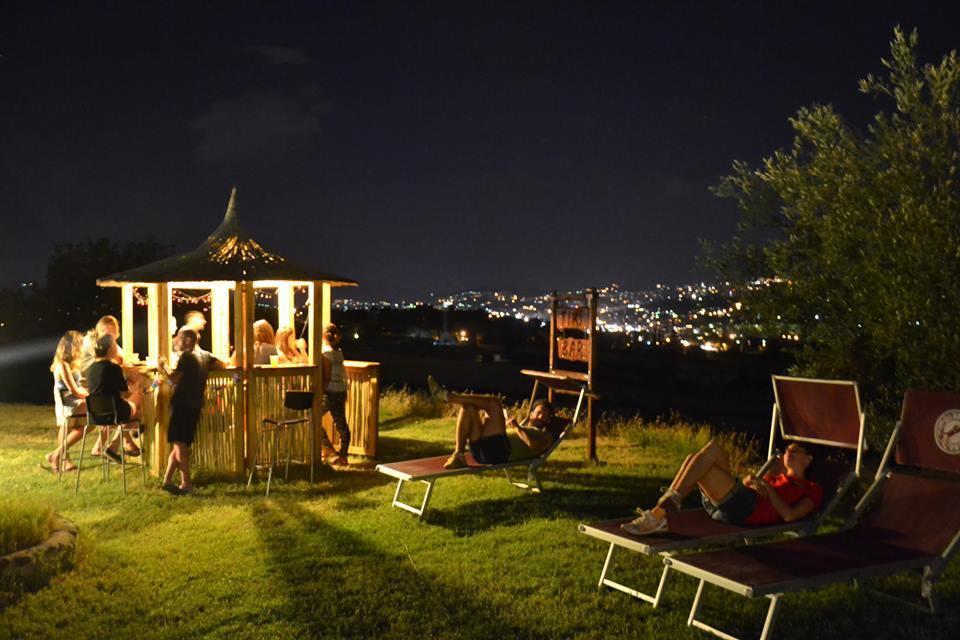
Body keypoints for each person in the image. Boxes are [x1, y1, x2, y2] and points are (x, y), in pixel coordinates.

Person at [622, 440, 823, 536]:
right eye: (788, 449)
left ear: (809, 459)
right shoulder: (775, 475)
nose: (790, 452)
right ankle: (668, 504)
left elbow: (789, 516)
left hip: (747, 510)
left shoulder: (812, 488)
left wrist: (766, 488)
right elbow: (744, 486)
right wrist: (751, 480)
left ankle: (658, 514)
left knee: (704, 461)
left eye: (796, 451)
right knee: (706, 453)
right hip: (733, 503)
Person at [427, 376, 557, 470]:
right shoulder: (524, 425)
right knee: (469, 409)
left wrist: (517, 428)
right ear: (531, 413)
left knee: (494, 403)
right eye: (539, 413)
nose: (541, 417)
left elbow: (533, 445)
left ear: (549, 421)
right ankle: (458, 455)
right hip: (483, 451)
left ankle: (447, 397)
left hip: (500, 452)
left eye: (545, 416)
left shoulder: (546, 435)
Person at [158, 327, 225, 496]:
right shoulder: (205, 355)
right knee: (179, 443)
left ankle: (186, 483)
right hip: (195, 404)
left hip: (182, 403)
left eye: (178, 338)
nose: (175, 341)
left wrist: (163, 366)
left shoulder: (187, 356)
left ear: (187, 340)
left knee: (179, 444)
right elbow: (223, 364)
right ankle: (167, 480)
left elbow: (174, 380)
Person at [85, 334, 141, 464]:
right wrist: (134, 381)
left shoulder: (91, 368)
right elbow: (126, 392)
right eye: (115, 345)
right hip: (115, 412)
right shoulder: (113, 368)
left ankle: (133, 431)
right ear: (110, 349)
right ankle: (129, 434)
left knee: (130, 414)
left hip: (95, 414)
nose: (117, 348)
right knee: (138, 397)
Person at [45, 331, 89, 472]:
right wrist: (90, 395)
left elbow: (77, 386)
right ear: (72, 346)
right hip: (68, 402)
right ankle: (61, 457)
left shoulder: (72, 364)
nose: (82, 348)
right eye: (80, 345)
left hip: (74, 400)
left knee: (81, 426)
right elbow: (74, 390)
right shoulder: (62, 365)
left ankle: (57, 456)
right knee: (92, 420)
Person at [321, 324, 350, 465]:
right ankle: (343, 455)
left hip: (331, 391)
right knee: (341, 423)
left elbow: (326, 376)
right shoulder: (339, 352)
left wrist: (320, 390)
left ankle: (327, 447)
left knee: (313, 417)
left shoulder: (326, 354)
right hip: (341, 389)